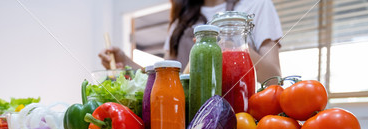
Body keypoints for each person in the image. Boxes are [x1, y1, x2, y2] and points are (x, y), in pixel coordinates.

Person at [98, 0, 282, 82]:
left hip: (242, 119)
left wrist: (232, 40)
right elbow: (167, 77)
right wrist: (125, 63)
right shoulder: (180, 22)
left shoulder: (257, 5)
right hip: (189, 119)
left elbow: (274, 77)